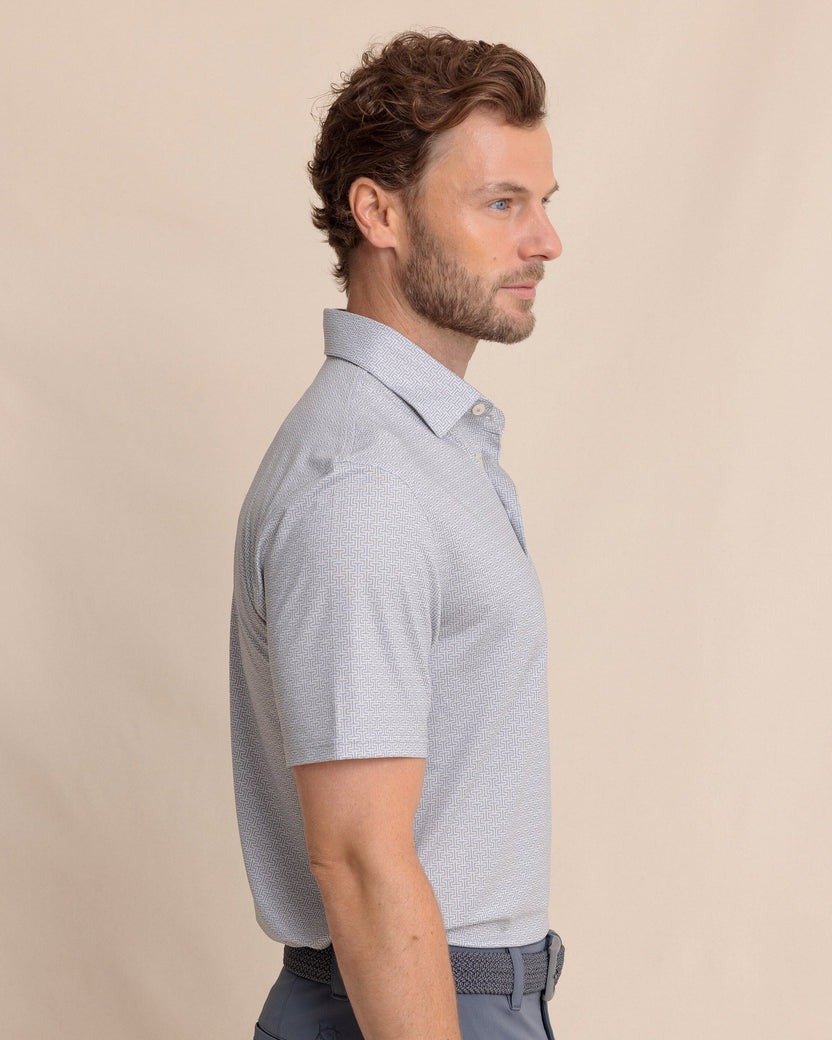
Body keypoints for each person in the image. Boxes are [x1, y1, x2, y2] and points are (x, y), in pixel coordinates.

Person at [230, 30, 565, 1040]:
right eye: (501, 203)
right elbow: (362, 862)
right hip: (409, 1002)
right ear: (378, 212)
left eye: (544, 202)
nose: (545, 241)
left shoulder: (425, 451)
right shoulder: (365, 486)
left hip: (447, 991)